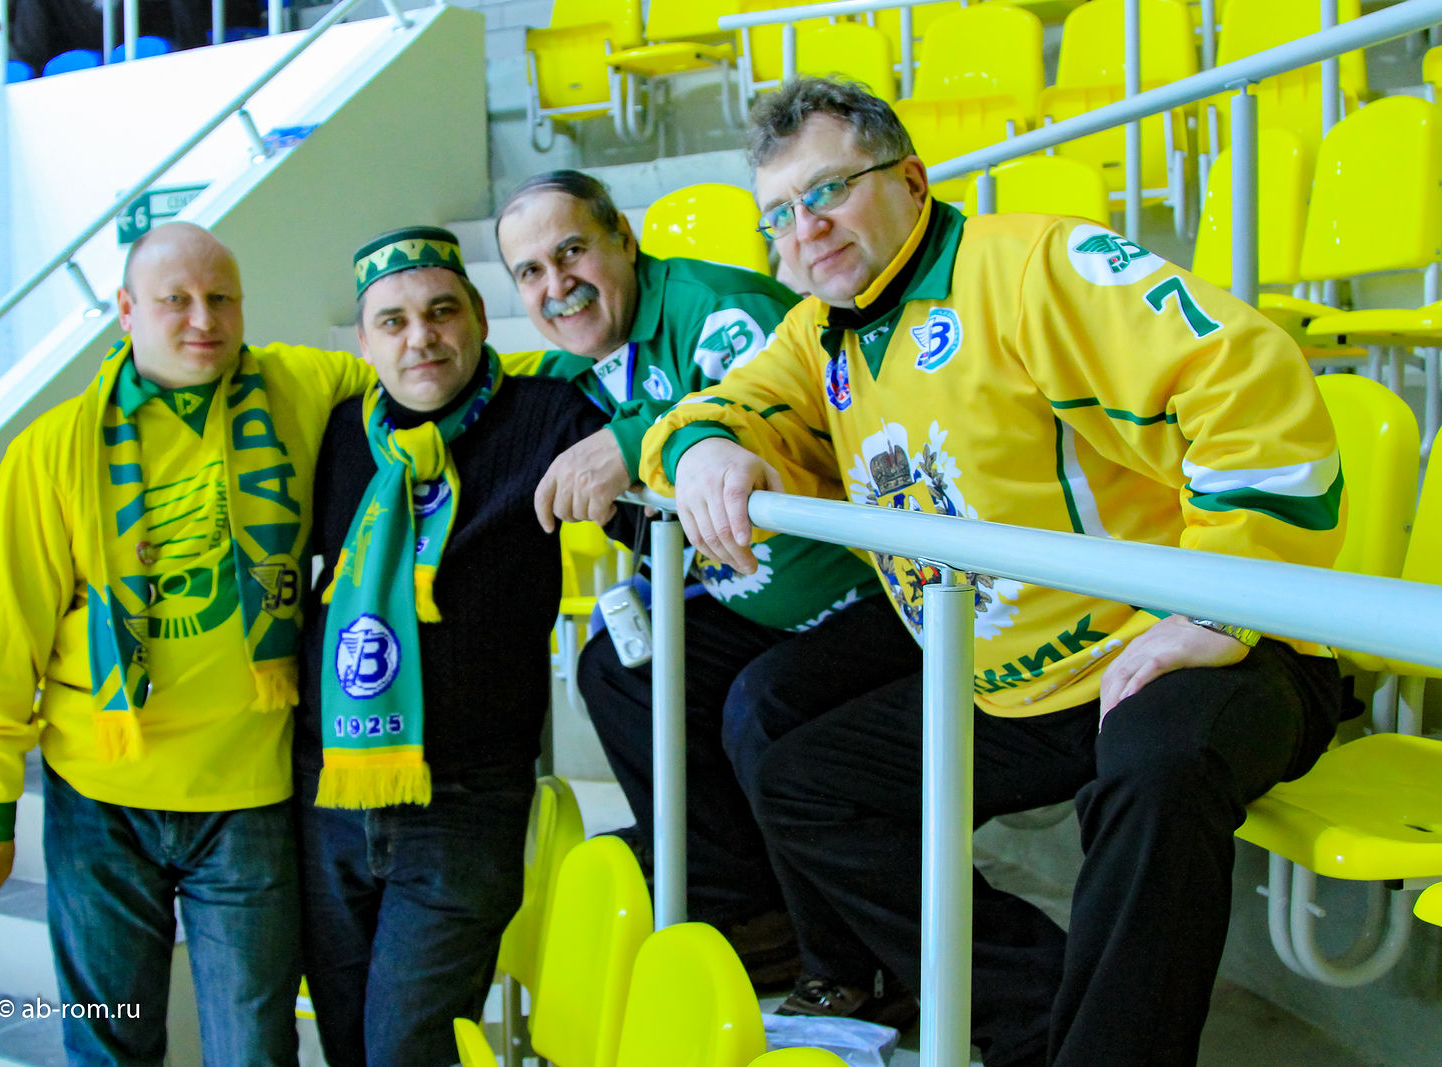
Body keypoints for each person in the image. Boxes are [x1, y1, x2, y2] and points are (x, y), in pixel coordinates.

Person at [640, 77, 1347, 1067]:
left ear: (911, 180)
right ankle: (1040, 1017)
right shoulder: (818, 332)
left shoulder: (1029, 265)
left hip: (1199, 643)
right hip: (1015, 687)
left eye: (828, 190)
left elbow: (1251, 380)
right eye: (780, 214)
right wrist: (704, 448)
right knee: (804, 783)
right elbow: (717, 410)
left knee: (1159, 764)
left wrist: (1214, 604)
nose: (806, 228)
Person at [0, 221, 375, 1066]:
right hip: (99, 797)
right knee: (111, 1043)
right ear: (126, 310)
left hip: (246, 793)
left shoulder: (301, 384)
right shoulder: (52, 450)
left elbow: (430, 372)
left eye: (221, 298)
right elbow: (0, 643)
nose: (203, 319)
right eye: (175, 300)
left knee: (254, 1046)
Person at [496, 170, 920, 1004]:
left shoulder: (720, 309)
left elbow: (746, 405)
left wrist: (631, 439)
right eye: (530, 272)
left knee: (759, 704)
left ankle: (848, 961)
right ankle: (743, 911)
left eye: (572, 251)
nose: (557, 285)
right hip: (760, 602)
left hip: (882, 593)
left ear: (624, 238)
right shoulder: (578, 366)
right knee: (617, 670)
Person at [293, 226, 612, 1066]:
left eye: (441, 312)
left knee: (409, 1048)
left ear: (476, 314)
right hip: (328, 793)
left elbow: (648, 418)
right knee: (348, 1045)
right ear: (364, 344)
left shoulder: (547, 414)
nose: (421, 337)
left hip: (465, 800)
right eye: (393, 322)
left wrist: (626, 440)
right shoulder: (338, 435)